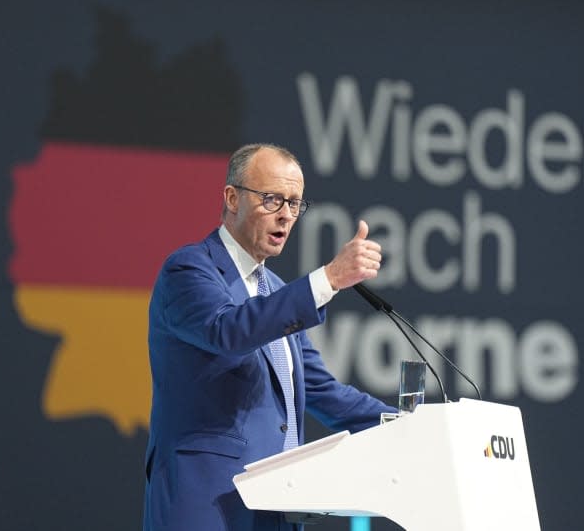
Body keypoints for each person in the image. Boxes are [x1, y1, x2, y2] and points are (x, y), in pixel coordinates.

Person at [143, 143, 396, 531]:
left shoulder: (274, 291)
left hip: (276, 510)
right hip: (211, 507)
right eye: (272, 199)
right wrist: (327, 279)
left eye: (295, 204)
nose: (286, 216)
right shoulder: (189, 270)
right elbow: (229, 331)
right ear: (232, 198)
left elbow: (323, 391)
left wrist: (408, 425)